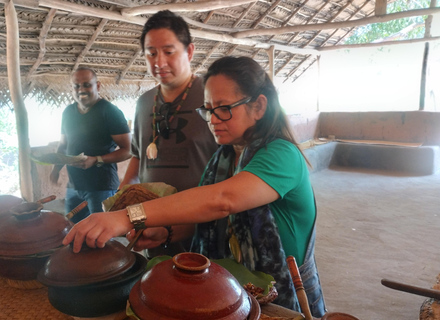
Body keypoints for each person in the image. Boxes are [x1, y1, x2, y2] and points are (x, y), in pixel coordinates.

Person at [63, 56, 327, 317]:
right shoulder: (222, 158)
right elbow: (209, 221)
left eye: (224, 108)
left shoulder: (281, 154)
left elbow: (223, 201)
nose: (212, 118)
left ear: (258, 106)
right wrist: (165, 233)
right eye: (208, 109)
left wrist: (127, 217)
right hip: (232, 293)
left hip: (282, 297)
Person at [118, 10, 218, 256]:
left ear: (190, 51)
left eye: (168, 52)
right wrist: (123, 196)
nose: (158, 62)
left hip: (207, 228)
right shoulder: (144, 103)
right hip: (154, 228)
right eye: (151, 53)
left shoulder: (213, 96)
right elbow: (139, 156)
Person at [50, 67, 131, 223]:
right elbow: (63, 144)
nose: (81, 89)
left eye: (87, 85)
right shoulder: (68, 112)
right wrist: (56, 169)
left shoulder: (110, 112)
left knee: (101, 235)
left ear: (98, 86)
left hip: (102, 187)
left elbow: (128, 150)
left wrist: (96, 159)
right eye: (76, 86)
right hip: (74, 186)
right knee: (74, 230)